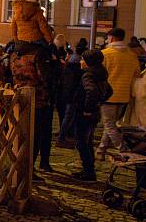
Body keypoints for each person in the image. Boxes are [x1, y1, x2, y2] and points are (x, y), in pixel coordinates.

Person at [97, 28, 141, 160]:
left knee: (109, 125)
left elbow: (97, 73)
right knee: (111, 124)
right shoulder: (131, 55)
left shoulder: (105, 54)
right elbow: (137, 74)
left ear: (111, 38)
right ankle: (101, 150)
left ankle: (124, 151)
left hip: (108, 95)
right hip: (124, 96)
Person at [10, 41, 52, 177]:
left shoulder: (15, 54)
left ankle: (19, 167)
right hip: (38, 98)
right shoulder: (38, 54)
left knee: (21, 134)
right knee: (35, 135)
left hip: (20, 96)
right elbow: (44, 76)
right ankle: (29, 170)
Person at [71, 49, 111, 181]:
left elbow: (91, 91)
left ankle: (88, 171)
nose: (81, 62)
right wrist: (100, 102)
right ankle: (88, 169)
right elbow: (109, 91)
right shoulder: (100, 73)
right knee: (87, 141)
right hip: (94, 113)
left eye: (83, 59)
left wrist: (88, 108)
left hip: (85, 113)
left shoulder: (88, 74)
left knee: (82, 142)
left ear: (89, 61)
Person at [57, 39, 88, 147]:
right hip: (73, 96)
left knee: (70, 117)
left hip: (70, 95)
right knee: (69, 117)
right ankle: (62, 138)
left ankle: (65, 137)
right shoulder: (76, 69)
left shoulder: (70, 66)